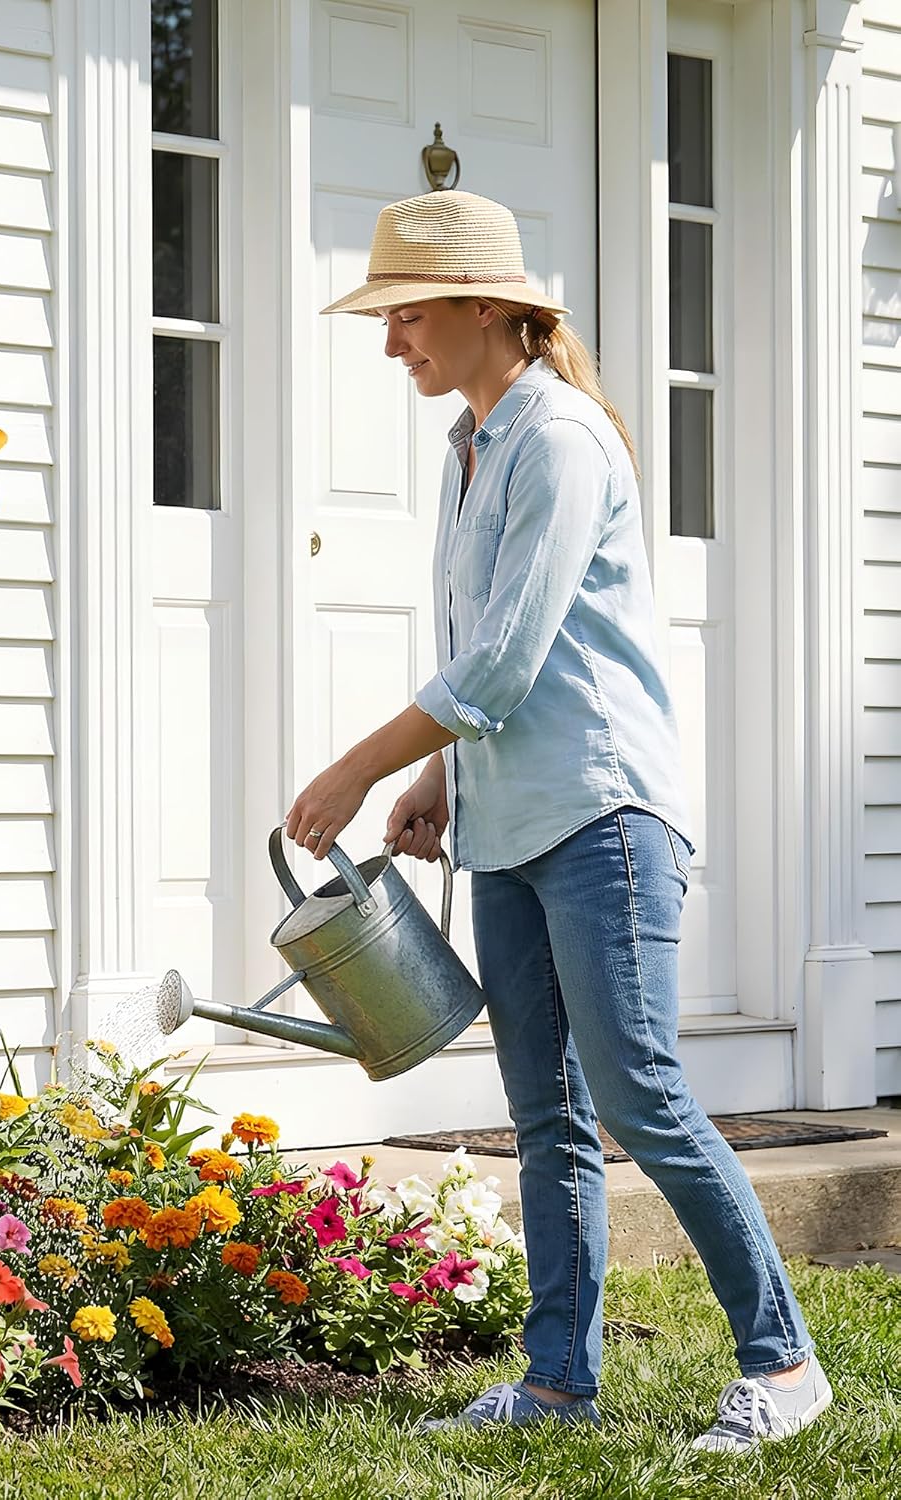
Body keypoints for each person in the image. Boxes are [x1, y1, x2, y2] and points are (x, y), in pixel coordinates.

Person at [283, 189, 830, 1452]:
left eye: (405, 315)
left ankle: (786, 1365)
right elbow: (478, 648)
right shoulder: (468, 444)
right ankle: (556, 1381)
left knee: (637, 1093)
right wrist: (436, 782)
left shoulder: (561, 437)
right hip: (509, 824)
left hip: (603, 818)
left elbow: (510, 664)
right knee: (546, 1113)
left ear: (486, 307)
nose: (390, 344)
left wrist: (366, 765)